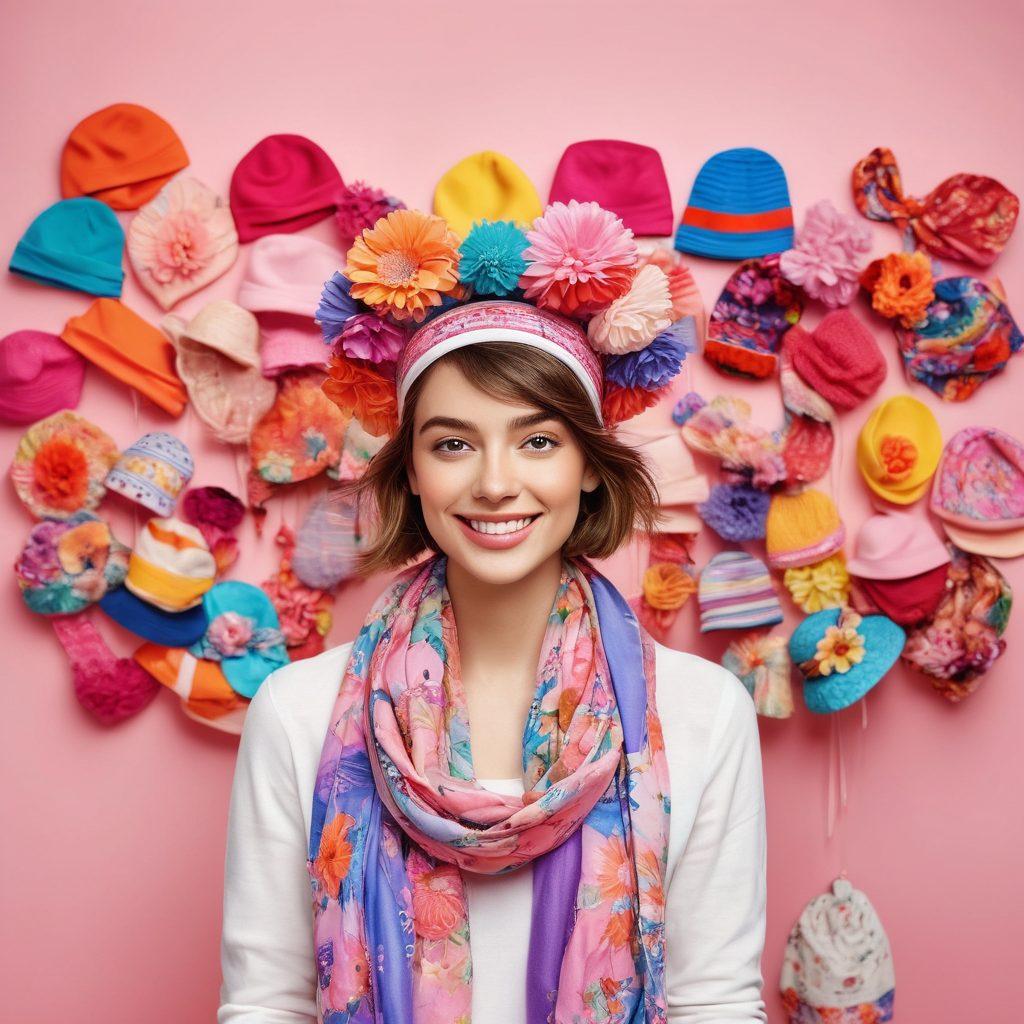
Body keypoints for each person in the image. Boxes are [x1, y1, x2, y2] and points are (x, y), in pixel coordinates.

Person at [218, 212, 767, 1023]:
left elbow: (714, 1004)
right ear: (410, 473)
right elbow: (267, 1006)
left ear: (588, 464)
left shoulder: (703, 713)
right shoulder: (297, 714)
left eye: (538, 441)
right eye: (452, 444)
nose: (497, 484)